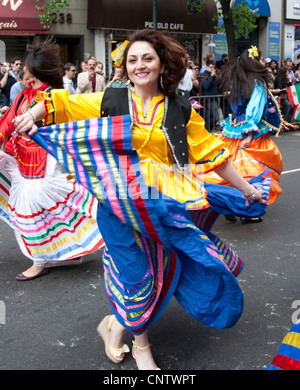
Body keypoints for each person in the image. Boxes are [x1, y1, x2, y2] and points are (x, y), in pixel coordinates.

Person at [14, 29, 267, 370]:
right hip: (117, 207)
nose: (139, 65)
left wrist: (246, 188)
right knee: (136, 276)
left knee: (164, 270)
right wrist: (33, 114)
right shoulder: (110, 100)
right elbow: (60, 103)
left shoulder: (181, 108)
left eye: (147, 58)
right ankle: (141, 346)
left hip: (160, 206)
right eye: (132, 59)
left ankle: (115, 324)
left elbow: (213, 154)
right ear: (125, 66)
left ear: (162, 64)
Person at [0, 37, 104, 281]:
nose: (23, 72)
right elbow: (5, 125)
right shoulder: (24, 94)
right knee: (44, 214)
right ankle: (64, 253)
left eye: (27, 68)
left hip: (46, 166)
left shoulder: (54, 95)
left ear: (35, 69)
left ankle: (40, 261)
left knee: (38, 213)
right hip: (24, 164)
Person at [205, 46, 283, 220]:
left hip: (234, 127)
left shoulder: (238, 79)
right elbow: (254, 109)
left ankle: (230, 205)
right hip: (250, 131)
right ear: (254, 62)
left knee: (232, 167)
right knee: (255, 168)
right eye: (261, 59)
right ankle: (249, 212)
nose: (264, 62)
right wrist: (249, 134)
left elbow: (236, 107)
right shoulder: (256, 82)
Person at [197, 59, 220, 131]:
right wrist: (212, 76)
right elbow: (206, 86)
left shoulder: (214, 75)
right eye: (211, 67)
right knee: (213, 117)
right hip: (207, 99)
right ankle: (207, 130)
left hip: (214, 99)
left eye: (214, 67)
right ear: (206, 67)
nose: (212, 69)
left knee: (213, 117)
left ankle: (208, 130)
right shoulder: (203, 75)